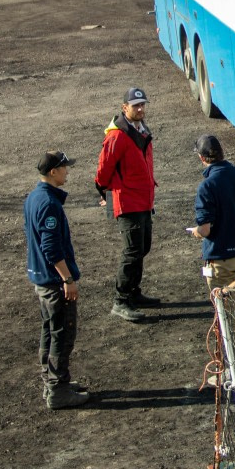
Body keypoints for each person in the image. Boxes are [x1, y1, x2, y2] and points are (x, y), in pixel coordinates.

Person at [186, 134, 235, 378]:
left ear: (202, 159)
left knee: (224, 316)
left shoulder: (207, 186)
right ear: (222, 152)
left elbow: (206, 229)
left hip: (219, 260)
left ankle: (233, 369)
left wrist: (196, 233)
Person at [24, 150, 89, 410]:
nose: (67, 171)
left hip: (41, 278)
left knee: (49, 332)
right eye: (64, 167)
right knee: (61, 334)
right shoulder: (49, 204)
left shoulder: (33, 198)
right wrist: (67, 279)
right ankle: (57, 389)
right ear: (53, 172)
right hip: (53, 281)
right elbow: (51, 248)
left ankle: (52, 382)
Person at [95, 87, 159, 323]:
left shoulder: (140, 130)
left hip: (143, 200)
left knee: (142, 247)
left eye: (143, 105)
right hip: (128, 202)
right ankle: (121, 301)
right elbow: (103, 171)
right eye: (136, 106)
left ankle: (133, 293)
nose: (141, 109)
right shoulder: (117, 136)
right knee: (132, 252)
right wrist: (105, 191)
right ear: (125, 108)